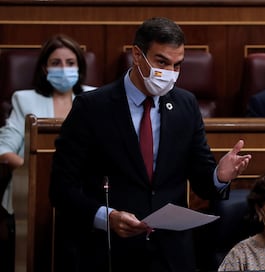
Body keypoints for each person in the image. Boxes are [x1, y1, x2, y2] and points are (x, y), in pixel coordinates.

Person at [48, 17, 251, 272]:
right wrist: (107, 217)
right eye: (162, 62)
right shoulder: (91, 108)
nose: (170, 74)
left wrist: (219, 176)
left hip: (172, 253)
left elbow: (202, 179)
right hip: (111, 251)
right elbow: (61, 188)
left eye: (177, 65)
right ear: (137, 55)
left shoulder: (186, 105)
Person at [0, 34, 95, 272]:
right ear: (44, 67)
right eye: (56, 63)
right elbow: (3, 148)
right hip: (30, 194)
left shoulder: (95, 98)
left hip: (82, 193)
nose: (64, 69)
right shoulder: (24, 99)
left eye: (70, 63)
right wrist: (32, 171)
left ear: (80, 67)